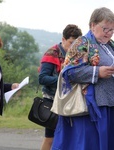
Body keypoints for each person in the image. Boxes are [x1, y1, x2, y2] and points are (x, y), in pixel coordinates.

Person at [52, 7, 114, 150]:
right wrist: (97, 72)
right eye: (106, 29)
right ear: (93, 25)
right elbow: (69, 72)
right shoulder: (82, 43)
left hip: (110, 105)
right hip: (91, 108)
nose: (109, 33)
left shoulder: (110, 45)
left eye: (112, 30)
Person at [38, 24, 82, 150]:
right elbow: (42, 78)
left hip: (71, 102)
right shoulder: (52, 53)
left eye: (76, 44)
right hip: (53, 102)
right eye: (70, 43)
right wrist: (63, 80)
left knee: (69, 138)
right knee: (50, 138)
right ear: (63, 39)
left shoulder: (77, 55)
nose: (73, 47)